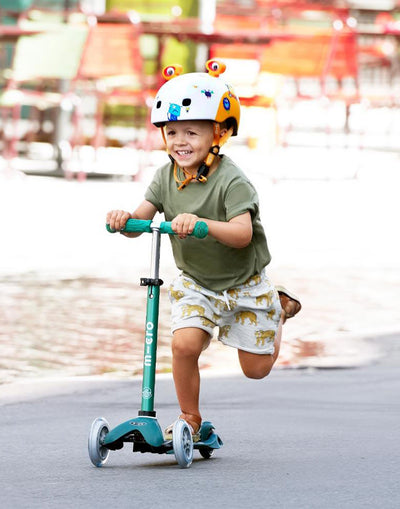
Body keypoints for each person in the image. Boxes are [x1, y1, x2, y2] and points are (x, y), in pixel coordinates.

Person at [106, 60, 301, 441]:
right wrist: (123, 220)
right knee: (184, 344)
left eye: (192, 132)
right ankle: (189, 418)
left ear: (220, 133)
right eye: (172, 131)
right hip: (197, 283)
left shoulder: (232, 180)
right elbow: (142, 221)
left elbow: (242, 234)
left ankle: (278, 311)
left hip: (245, 283)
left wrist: (201, 224)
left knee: (256, 369)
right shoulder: (164, 177)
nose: (180, 141)